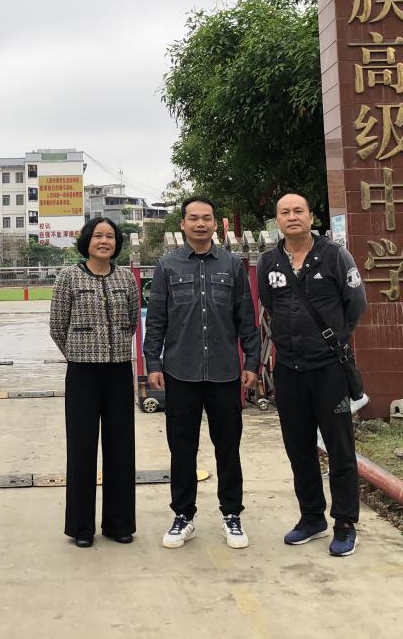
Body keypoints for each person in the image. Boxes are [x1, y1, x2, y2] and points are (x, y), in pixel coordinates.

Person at [144, 196, 260, 550]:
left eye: (206, 218)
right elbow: (157, 318)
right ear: (182, 224)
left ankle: (232, 515)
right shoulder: (167, 266)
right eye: (193, 218)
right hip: (181, 372)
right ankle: (183, 515)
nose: (200, 224)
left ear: (214, 223)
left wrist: (251, 363)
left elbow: (246, 318)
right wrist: (153, 363)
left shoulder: (231, 265)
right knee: (182, 449)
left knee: (228, 448)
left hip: (225, 373)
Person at [257, 192, 367, 558]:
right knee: (298, 447)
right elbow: (270, 305)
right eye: (284, 212)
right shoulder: (269, 261)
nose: (292, 217)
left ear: (310, 216)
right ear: (277, 220)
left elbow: (356, 305)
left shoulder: (334, 255)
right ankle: (311, 517)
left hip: (329, 369)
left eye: (298, 211)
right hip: (289, 369)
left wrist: (331, 340)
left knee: (339, 448)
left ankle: (345, 523)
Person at [49, 217, 139, 548]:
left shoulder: (126, 278)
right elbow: (57, 326)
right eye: (98, 235)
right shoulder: (68, 277)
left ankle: (119, 523)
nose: (104, 241)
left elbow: (132, 322)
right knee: (81, 449)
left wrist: (113, 347)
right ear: (86, 241)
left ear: (117, 243)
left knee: (121, 448)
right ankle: (81, 527)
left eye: (110, 236)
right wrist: (79, 351)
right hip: (82, 373)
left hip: (118, 371)